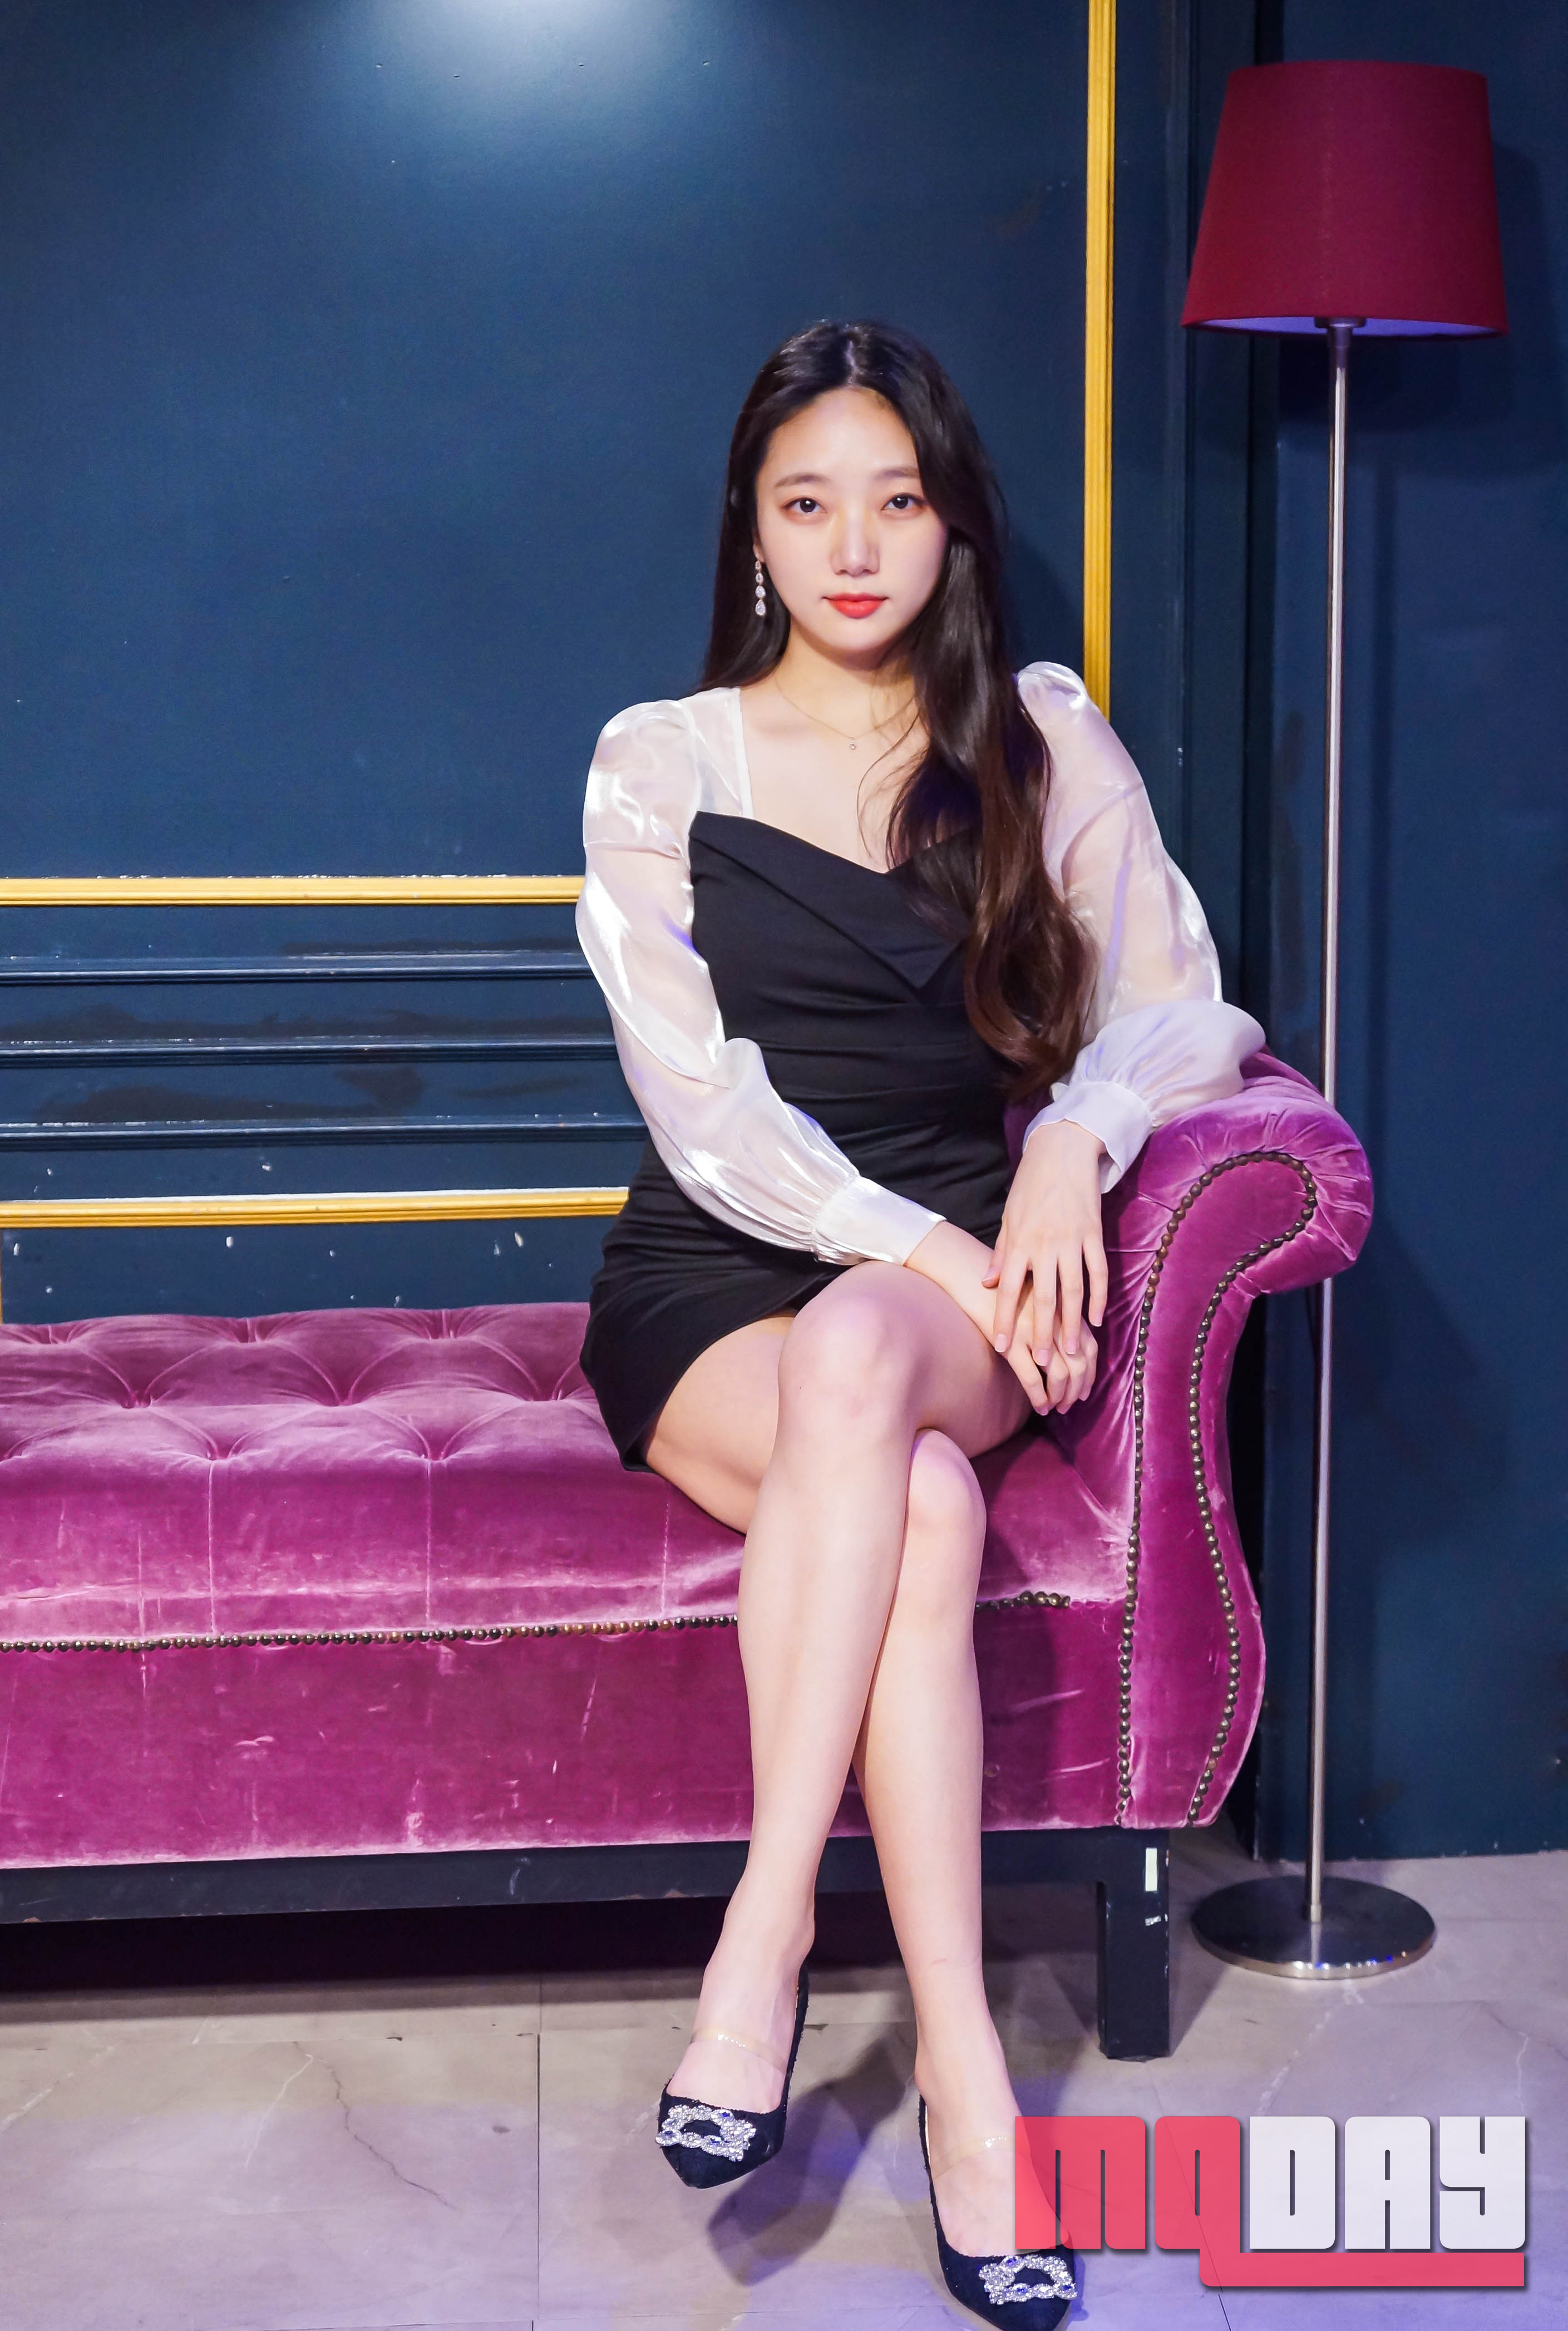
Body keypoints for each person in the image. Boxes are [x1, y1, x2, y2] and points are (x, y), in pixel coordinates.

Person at [575, 320, 1261, 2329]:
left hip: (951, 1272)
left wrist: (1069, 1147)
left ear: (953, 522)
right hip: (718, 1268)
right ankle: (968, 2085)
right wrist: (929, 1252)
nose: (853, 547)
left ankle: (763, 1939)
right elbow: (704, 1116)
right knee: (926, 1506)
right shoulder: (662, 758)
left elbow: (1181, 997)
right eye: (808, 505)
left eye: (895, 500)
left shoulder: (1034, 737)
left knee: (870, 1352)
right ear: (753, 529)